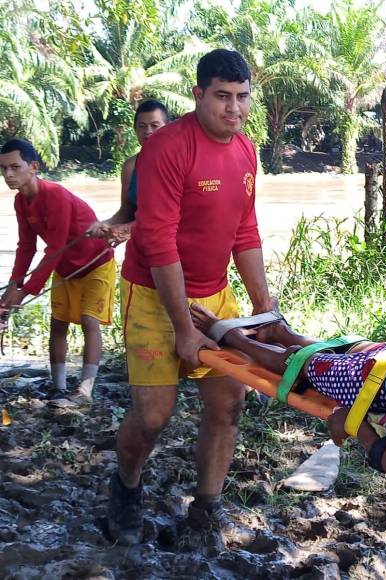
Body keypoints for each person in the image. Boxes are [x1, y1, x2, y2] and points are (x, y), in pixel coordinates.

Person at [106, 49, 293, 547]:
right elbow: (157, 240)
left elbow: (245, 231)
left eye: (243, 97)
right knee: (153, 416)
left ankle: (206, 510)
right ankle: (125, 486)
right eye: (222, 97)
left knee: (228, 404)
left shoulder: (246, 150)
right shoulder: (166, 148)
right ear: (198, 95)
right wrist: (184, 328)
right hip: (152, 295)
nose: (234, 109)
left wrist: (264, 311)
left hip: (216, 295)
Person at [189, 303, 386, 484]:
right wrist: (355, 425)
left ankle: (280, 333)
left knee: (351, 351)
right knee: (300, 365)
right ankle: (234, 337)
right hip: (379, 376)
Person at [0, 139, 116, 403]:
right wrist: (12, 284)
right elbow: (26, 246)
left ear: (33, 167)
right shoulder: (21, 202)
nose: (8, 175)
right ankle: (59, 387)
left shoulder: (55, 195)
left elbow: (56, 247)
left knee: (89, 321)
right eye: (3, 169)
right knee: (58, 324)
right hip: (64, 269)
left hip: (95, 263)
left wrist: (27, 291)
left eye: (15, 167)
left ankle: (85, 389)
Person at [89, 99, 170, 244]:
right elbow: (126, 211)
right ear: (135, 130)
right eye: (142, 126)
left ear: (168, 128)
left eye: (155, 125)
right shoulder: (130, 167)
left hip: (176, 246)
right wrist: (105, 225)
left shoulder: (181, 163)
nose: (148, 131)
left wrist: (128, 229)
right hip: (141, 249)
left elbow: (174, 215)